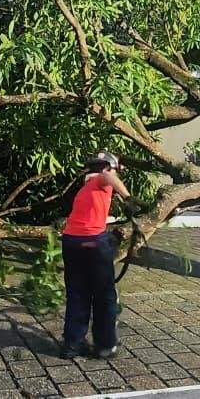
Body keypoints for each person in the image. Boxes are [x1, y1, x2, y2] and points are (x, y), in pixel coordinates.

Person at [60, 150, 130, 360]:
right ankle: (106, 345)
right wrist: (128, 198)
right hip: (92, 241)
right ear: (108, 167)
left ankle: (72, 344)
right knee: (104, 295)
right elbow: (107, 176)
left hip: (71, 241)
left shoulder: (86, 186)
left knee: (77, 292)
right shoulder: (102, 179)